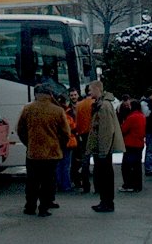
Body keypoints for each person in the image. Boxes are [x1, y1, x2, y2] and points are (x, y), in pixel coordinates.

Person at [17, 84, 71, 217]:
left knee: (32, 181)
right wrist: (59, 145)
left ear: (37, 95)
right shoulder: (58, 110)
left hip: (33, 152)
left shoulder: (28, 108)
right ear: (50, 94)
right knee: (48, 181)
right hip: (51, 152)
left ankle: (30, 206)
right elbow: (66, 133)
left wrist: (28, 143)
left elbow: (20, 129)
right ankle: (44, 208)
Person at [86, 80, 125, 213]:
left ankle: (107, 202)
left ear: (97, 89)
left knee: (105, 176)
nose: (88, 92)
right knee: (105, 175)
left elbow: (106, 131)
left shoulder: (103, 106)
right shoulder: (103, 105)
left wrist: (103, 150)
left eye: (90, 89)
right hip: (103, 148)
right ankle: (105, 201)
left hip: (103, 149)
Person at [119, 99, 146, 192]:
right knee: (137, 166)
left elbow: (123, 129)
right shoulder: (142, 116)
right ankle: (138, 185)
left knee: (126, 166)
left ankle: (128, 184)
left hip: (130, 143)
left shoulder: (131, 117)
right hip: (139, 143)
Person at [75, 86, 95, 193]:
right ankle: (98, 186)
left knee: (85, 161)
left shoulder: (79, 105)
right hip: (94, 133)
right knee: (97, 159)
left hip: (83, 134)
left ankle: (86, 186)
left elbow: (77, 121)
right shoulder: (95, 103)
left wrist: (79, 133)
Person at [56, 95, 78, 192]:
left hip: (56, 141)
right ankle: (66, 185)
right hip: (68, 141)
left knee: (58, 164)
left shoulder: (54, 112)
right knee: (66, 165)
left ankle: (58, 184)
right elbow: (73, 126)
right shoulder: (69, 113)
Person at [141, 88, 152, 176]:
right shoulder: (144, 103)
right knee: (150, 149)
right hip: (150, 129)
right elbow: (146, 114)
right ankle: (149, 168)